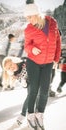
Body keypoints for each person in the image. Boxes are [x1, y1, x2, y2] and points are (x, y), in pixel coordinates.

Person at [23, 0, 61, 129]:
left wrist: (56, 59)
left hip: (48, 62)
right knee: (33, 90)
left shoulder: (52, 23)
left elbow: (58, 41)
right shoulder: (28, 29)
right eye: (26, 17)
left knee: (44, 91)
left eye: (29, 16)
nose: (28, 19)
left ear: (36, 14)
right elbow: (26, 46)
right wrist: (32, 48)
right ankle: (30, 116)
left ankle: (40, 115)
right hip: (33, 62)